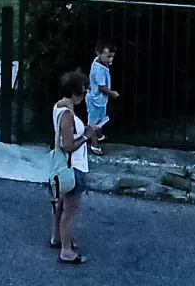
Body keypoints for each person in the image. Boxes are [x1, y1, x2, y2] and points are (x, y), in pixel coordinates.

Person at [48, 69, 103, 265]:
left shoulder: (59, 107)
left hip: (65, 167)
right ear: (74, 92)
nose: (85, 93)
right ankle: (66, 251)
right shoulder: (67, 115)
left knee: (62, 205)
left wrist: (86, 131)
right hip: (73, 168)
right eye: (84, 90)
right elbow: (68, 145)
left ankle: (57, 238)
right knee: (69, 212)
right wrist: (87, 136)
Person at [86, 43, 117, 156]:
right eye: (108, 56)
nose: (111, 59)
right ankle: (94, 144)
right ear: (98, 53)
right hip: (95, 100)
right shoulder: (99, 69)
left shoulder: (99, 61)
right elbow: (101, 87)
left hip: (100, 99)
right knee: (93, 123)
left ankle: (98, 134)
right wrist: (112, 93)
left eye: (112, 56)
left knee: (100, 119)